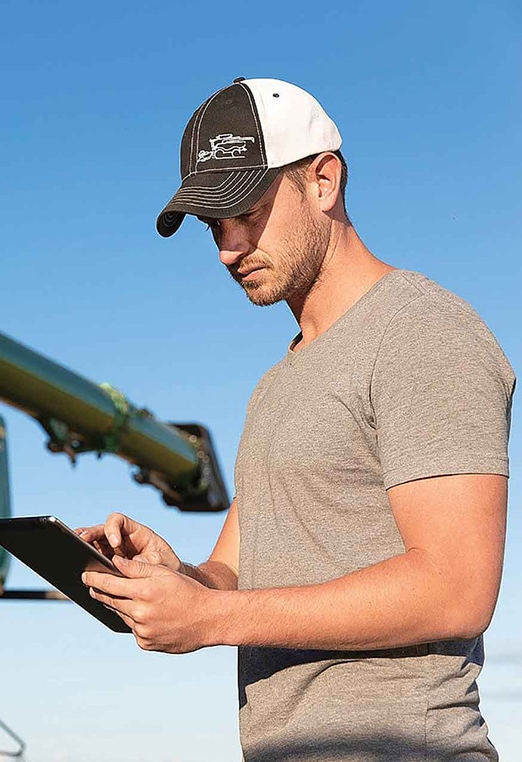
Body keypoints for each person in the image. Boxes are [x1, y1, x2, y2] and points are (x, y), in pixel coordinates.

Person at [79, 78, 515, 761]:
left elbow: (456, 588)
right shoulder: (274, 388)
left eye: (245, 210)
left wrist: (215, 619)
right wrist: (176, 579)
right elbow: (232, 575)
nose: (228, 247)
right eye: (212, 225)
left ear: (323, 181)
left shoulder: (423, 332)